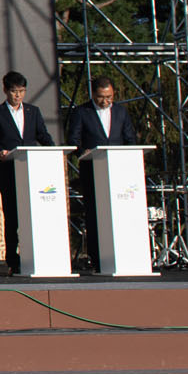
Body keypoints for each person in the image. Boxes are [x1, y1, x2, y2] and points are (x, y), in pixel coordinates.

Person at [0, 71, 54, 274]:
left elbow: (43, 135)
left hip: (33, 172)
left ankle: (37, 255)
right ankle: (13, 260)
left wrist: (53, 150)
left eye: (22, 91)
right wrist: (0, 151)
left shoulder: (33, 111)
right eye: (14, 91)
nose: (18, 95)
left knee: (34, 215)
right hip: (9, 171)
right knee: (12, 217)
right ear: (6, 90)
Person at [67, 76, 140, 270]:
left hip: (118, 172)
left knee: (120, 212)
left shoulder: (121, 112)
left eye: (109, 97)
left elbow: (130, 139)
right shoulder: (82, 112)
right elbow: (73, 139)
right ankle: (97, 258)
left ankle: (124, 253)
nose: (106, 101)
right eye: (101, 97)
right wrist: (83, 152)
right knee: (95, 214)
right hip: (93, 171)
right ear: (93, 94)